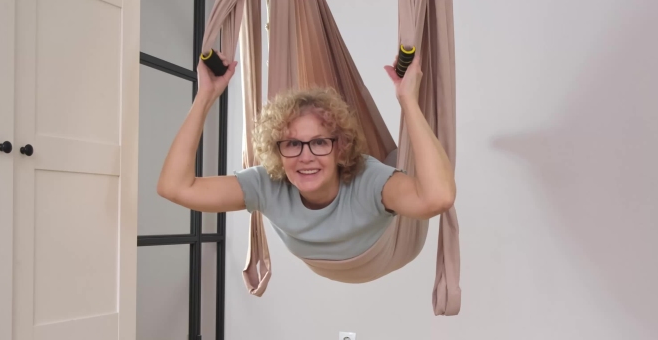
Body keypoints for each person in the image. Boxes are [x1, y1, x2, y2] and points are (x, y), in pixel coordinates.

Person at [157, 51, 455, 261]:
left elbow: (438, 198)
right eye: (292, 144)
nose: (306, 156)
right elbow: (174, 187)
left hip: (380, 253)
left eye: (319, 142)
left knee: (400, 159)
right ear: (277, 151)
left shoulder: (370, 180)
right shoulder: (267, 184)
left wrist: (408, 101)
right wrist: (205, 96)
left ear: (340, 147)